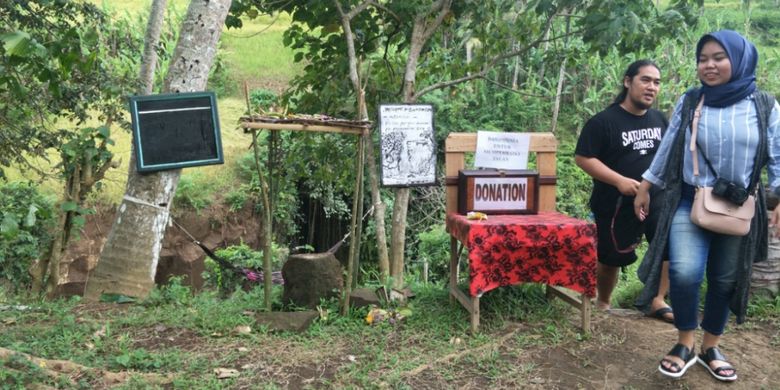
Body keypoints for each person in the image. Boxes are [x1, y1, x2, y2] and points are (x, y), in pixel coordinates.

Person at [633, 30, 780, 382]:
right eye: (703, 59)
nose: (709, 65)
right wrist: (645, 185)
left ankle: (710, 346)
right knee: (684, 272)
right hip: (690, 200)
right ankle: (685, 341)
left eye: (718, 57)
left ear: (740, 59)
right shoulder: (692, 99)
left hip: (740, 207)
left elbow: (777, 156)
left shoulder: (765, 105)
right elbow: (668, 146)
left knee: (726, 280)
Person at [574, 59, 674, 323]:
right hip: (615, 201)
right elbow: (584, 158)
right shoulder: (603, 122)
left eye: (657, 82)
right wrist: (619, 180)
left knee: (668, 245)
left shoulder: (659, 119)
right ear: (628, 82)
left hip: (656, 198)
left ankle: (657, 300)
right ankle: (603, 303)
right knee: (611, 258)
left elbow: (667, 156)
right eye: (645, 80)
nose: (652, 87)